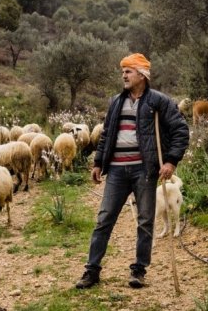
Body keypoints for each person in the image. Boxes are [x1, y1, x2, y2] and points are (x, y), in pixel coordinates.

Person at [75, 53, 189, 289]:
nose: (124, 76)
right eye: (123, 72)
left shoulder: (158, 101)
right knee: (104, 219)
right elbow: (106, 134)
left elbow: (180, 130)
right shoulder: (116, 101)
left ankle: (139, 271)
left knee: (145, 221)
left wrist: (170, 161)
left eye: (128, 71)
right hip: (116, 171)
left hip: (144, 170)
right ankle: (91, 270)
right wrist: (98, 162)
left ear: (142, 75)